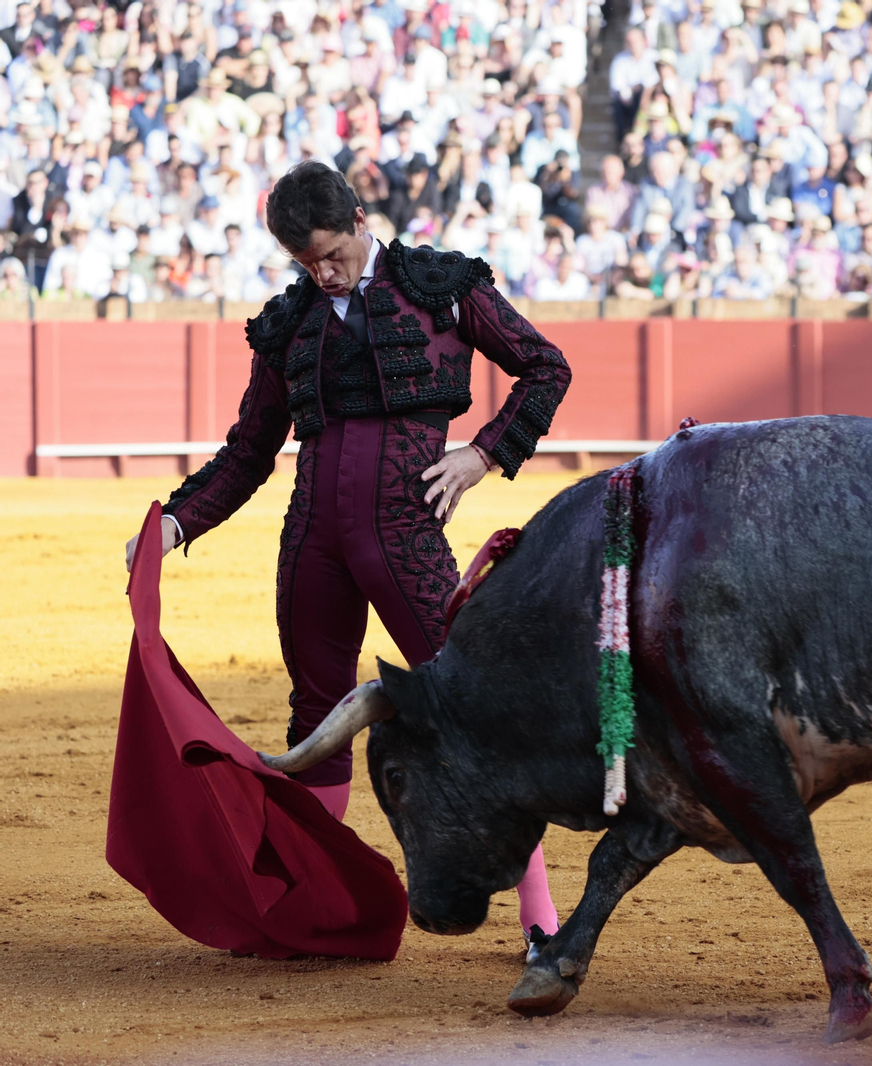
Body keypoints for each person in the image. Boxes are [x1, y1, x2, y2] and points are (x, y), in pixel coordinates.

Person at [122, 162, 572, 955]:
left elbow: (546, 367)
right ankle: (317, 913)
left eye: (331, 254)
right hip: (312, 545)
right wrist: (175, 525)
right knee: (316, 720)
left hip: (406, 536)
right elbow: (249, 451)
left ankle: (541, 922)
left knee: (472, 711)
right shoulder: (288, 323)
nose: (323, 274)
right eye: (306, 263)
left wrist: (482, 455)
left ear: (361, 220)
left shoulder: (441, 286)